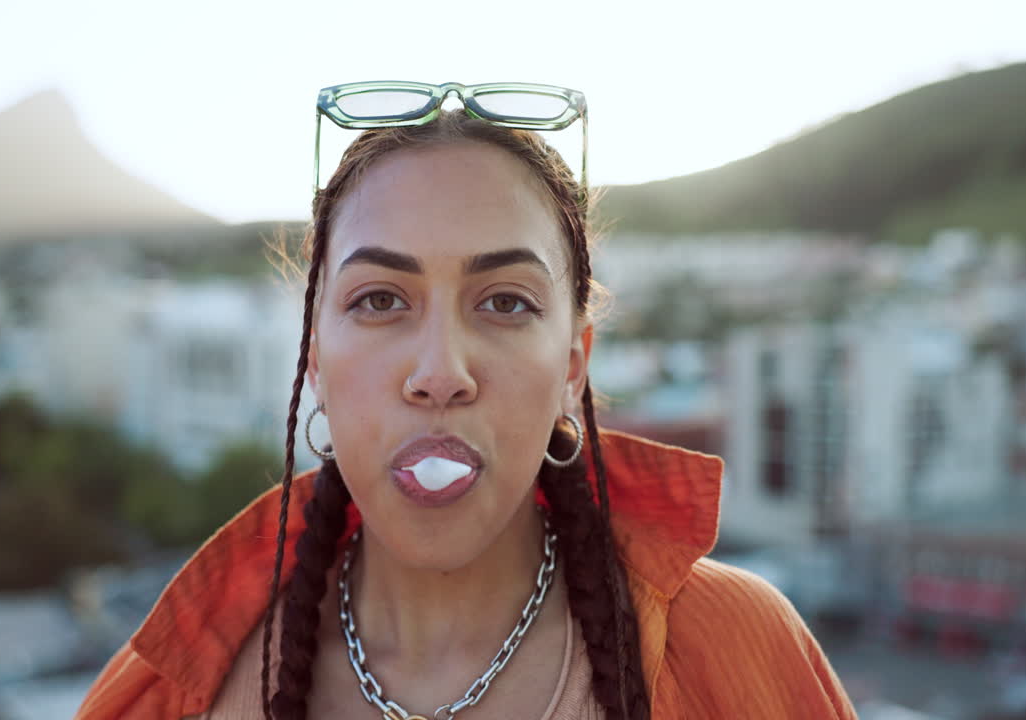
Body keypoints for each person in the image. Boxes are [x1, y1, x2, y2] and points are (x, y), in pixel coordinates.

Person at [75, 82, 858, 720]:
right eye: (381, 300)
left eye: (506, 303)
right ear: (315, 360)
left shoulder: (734, 651)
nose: (440, 371)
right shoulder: (176, 691)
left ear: (573, 366)